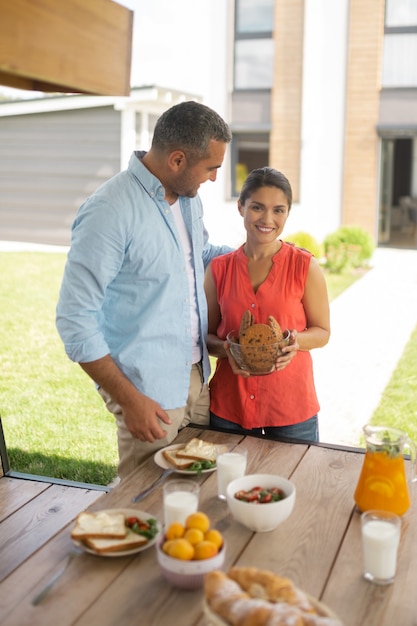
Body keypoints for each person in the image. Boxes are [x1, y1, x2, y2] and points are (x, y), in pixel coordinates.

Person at [56, 101, 232, 480]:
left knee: (197, 502)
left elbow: (197, 255)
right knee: (147, 503)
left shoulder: (188, 198)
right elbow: (75, 321)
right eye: (211, 168)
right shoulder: (109, 210)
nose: (214, 179)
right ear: (178, 160)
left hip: (197, 381)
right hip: (147, 393)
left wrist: (267, 254)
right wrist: (129, 400)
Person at [204, 166, 330, 441]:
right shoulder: (218, 270)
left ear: (287, 212)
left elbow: (322, 332)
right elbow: (207, 337)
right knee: (226, 483)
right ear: (241, 207)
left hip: (290, 406)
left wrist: (295, 342)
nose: (268, 219)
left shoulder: (304, 266)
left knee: (292, 483)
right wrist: (228, 348)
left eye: (278, 210)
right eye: (257, 207)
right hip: (230, 405)